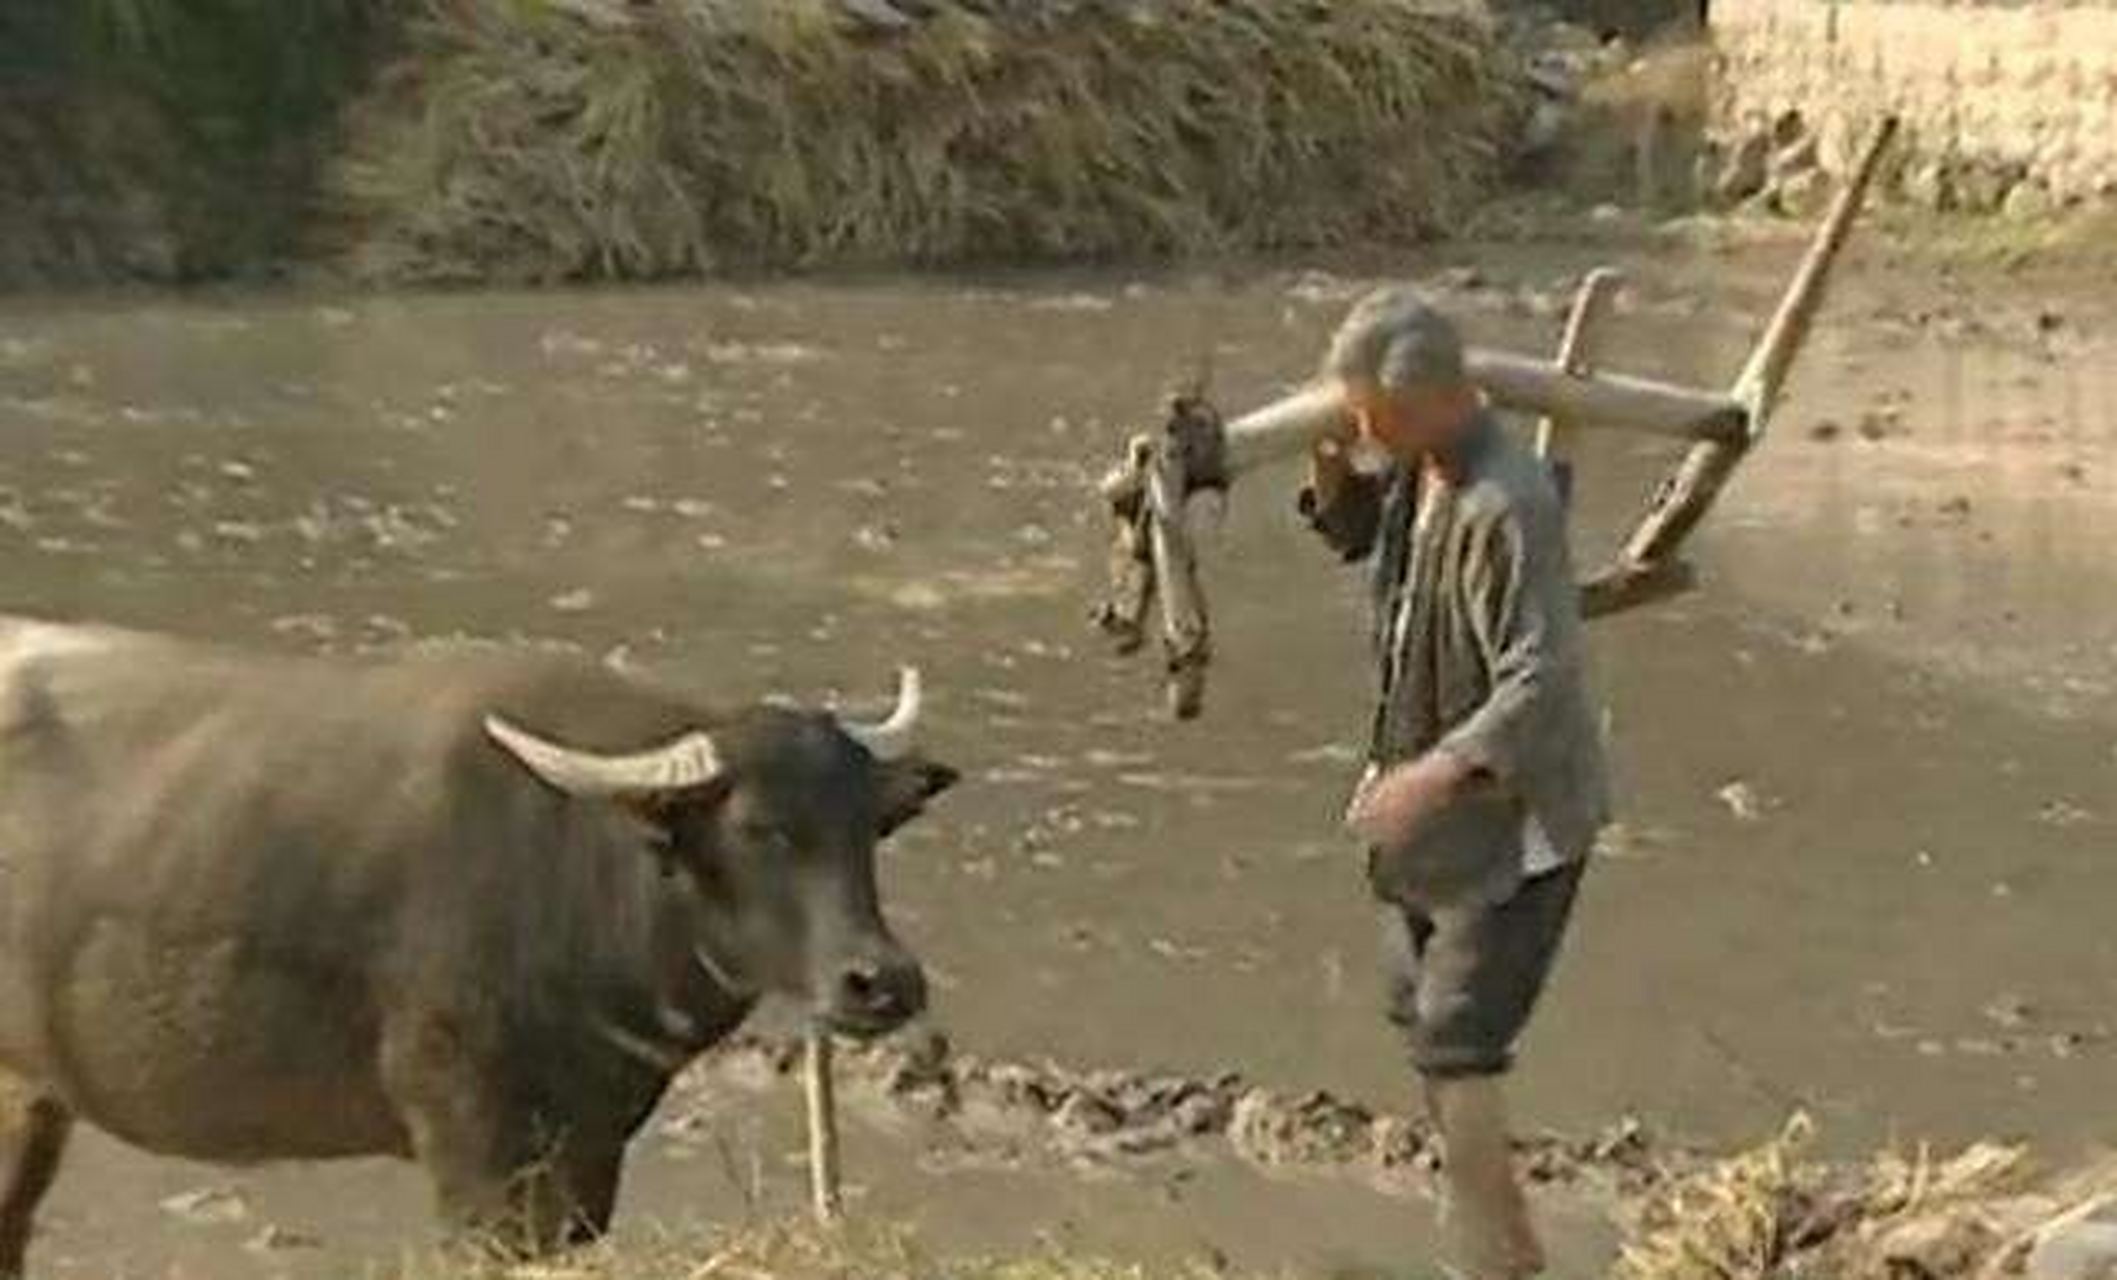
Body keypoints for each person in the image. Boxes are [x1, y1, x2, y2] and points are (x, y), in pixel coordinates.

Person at [1299, 288, 1611, 1279]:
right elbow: (1362, 538)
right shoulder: (1414, 471)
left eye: (1373, 420)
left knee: (1455, 1033)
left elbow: (1542, 676)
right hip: (1430, 817)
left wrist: (1429, 774)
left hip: (1513, 822)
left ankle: (1494, 1263)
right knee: (1410, 1007)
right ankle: (1501, 1235)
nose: (1364, 434)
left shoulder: (1505, 503)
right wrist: (1330, 468)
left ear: (1436, 401)